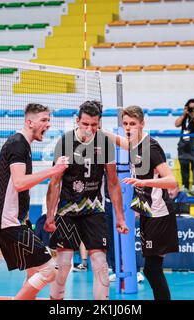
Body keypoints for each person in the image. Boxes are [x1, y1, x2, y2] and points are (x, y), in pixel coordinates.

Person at [45, 101, 128, 300]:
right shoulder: (64, 142)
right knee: (64, 265)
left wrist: (120, 217)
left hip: (94, 208)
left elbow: (113, 183)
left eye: (94, 125)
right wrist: (49, 216)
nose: (89, 129)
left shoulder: (104, 144)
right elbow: (54, 183)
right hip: (67, 209)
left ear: (99, 123)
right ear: (77, 121)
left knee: (100, 264)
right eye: (85, 124)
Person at [0, 103, 69, 300]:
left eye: (49, 120)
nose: (48, 125)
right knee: (49, 270)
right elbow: (19, 183)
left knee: (33, 273)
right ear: (29, 122)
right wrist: (53, 170)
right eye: (44, 120)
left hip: (15, 219)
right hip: (8, 221)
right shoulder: (18, 144)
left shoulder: (23, 144)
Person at [105, 105, 179, 300]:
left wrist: (144, 182)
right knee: (151, 269)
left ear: (142, 124)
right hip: (148, 213)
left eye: (133, 124)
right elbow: (125, 144)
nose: (129, 128)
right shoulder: (135, 144)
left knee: (152, 270)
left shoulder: (151, 148)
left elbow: (172, 181)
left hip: (160, 214)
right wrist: (101, 132)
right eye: (126, 124)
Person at [175, 99, 194, 196]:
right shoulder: (185, 116)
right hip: (183, 144)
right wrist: (184, 113)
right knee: (184, 166)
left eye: (193, 108)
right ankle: (185, 185)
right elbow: (176, 124)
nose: (192, 109)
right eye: (190, 107)